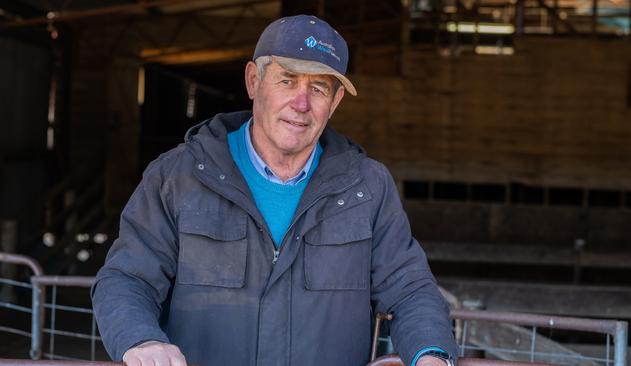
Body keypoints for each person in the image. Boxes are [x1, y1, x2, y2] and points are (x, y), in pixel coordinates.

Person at [92, 14, 457, 366]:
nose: (301, 104)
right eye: (287, 80)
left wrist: (430, 353)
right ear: (253, 81)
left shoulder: (368, 187)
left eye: (318, 88)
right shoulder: (178, 175)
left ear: (335, 102)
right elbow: (126, 278)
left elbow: (411, 290)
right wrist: (141, 339)